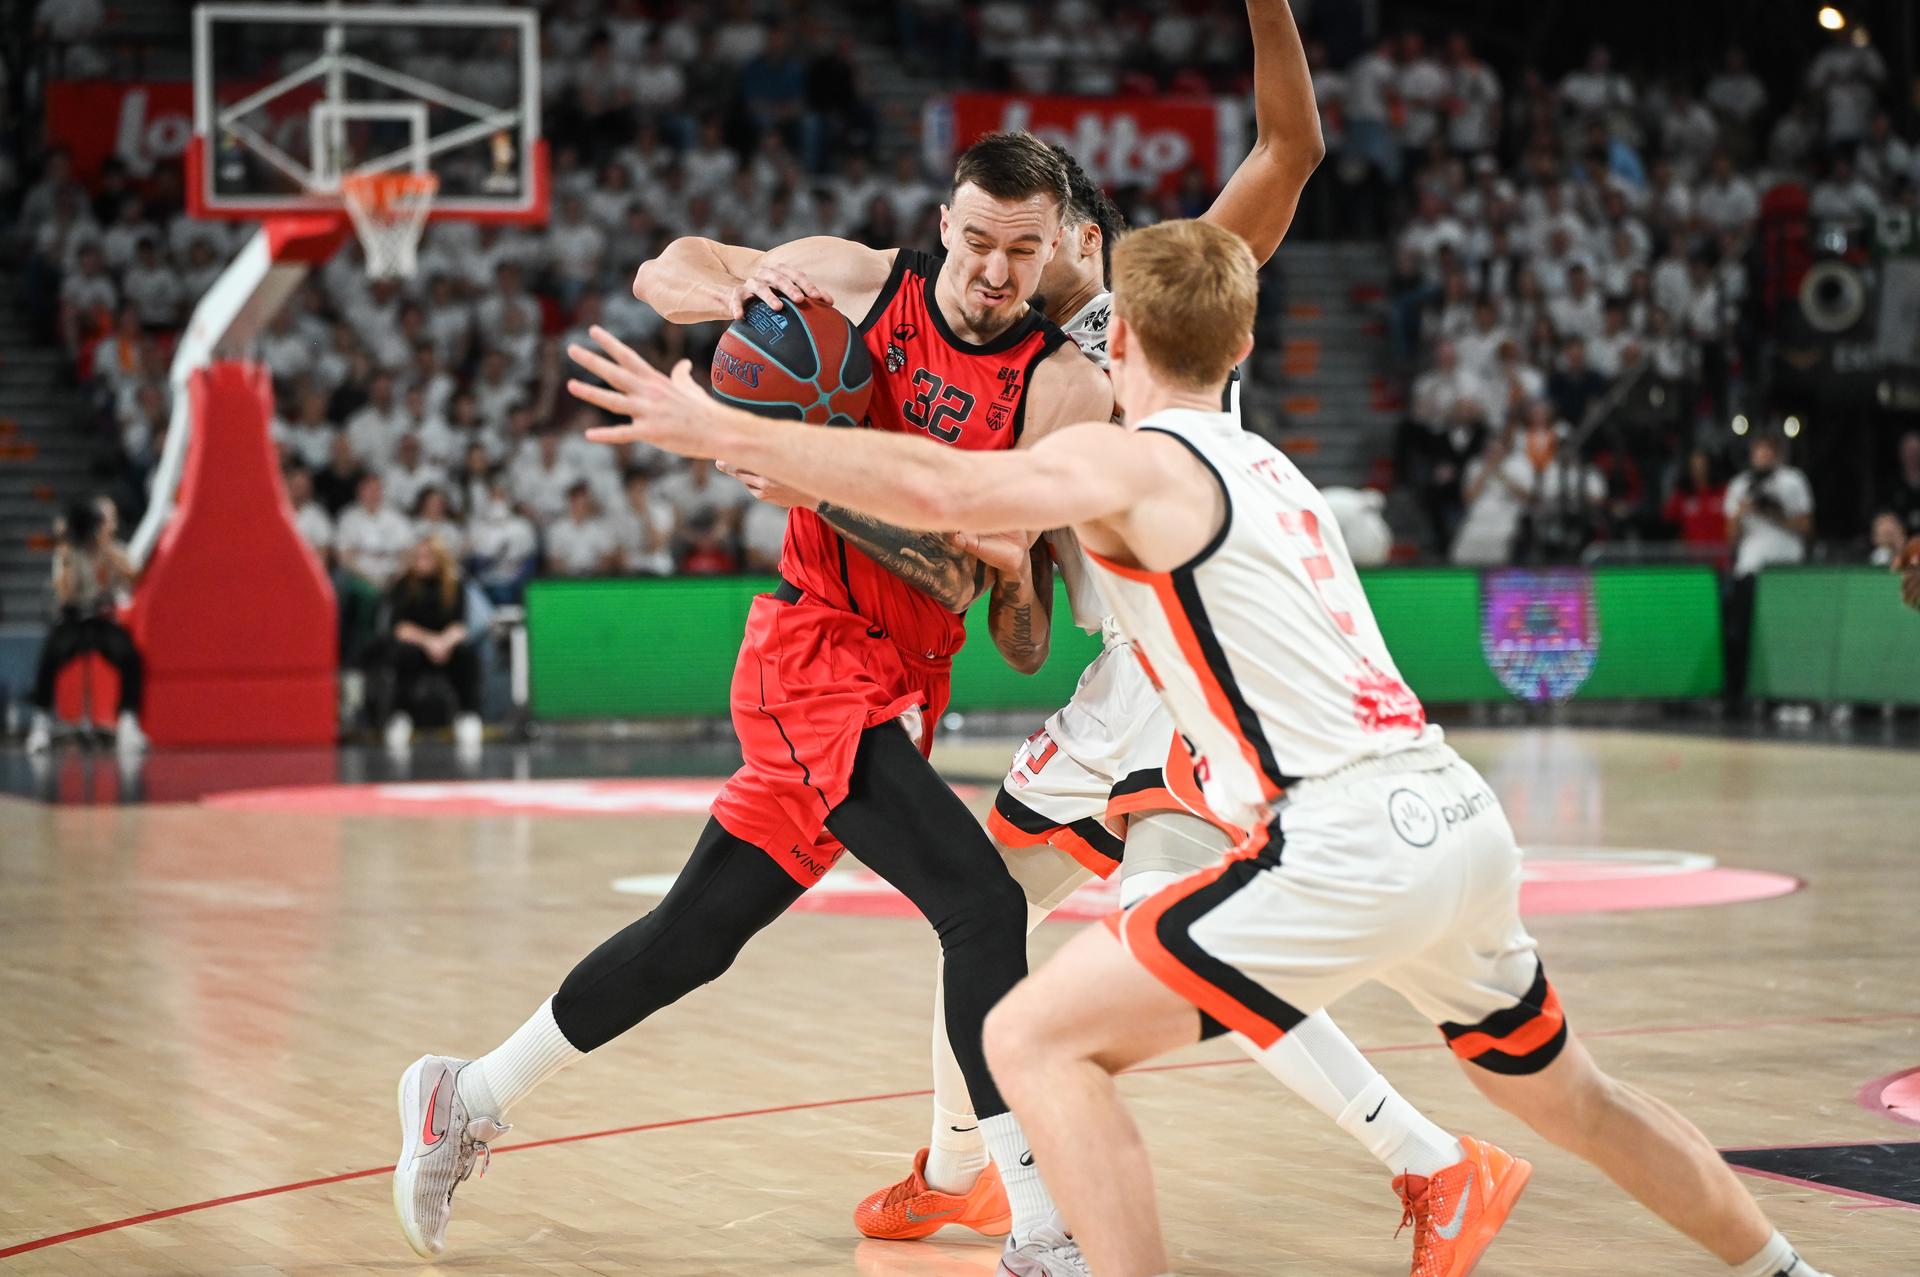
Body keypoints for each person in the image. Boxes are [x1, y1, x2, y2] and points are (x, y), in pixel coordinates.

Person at [592, 216, 1840, 1277]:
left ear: (1118, 339)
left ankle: (1038, 1213)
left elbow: (952, 496)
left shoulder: (1126, 458)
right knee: (1579, 1098)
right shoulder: (1283, 468)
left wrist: (729, 432)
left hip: (1338, 837)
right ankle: (1787, 1265)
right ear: (1242, 347)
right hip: (1460, 819)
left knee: (1029, 1035)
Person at [390, 131, 1112, 1264]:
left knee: (695, 934)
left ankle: (467, 1092)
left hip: (912, 675)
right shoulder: (866, 282)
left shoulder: (1065, 385)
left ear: (1055, 247)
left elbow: (996, 602)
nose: (994, 270)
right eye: (977, 240)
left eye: (1022, 251)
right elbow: (661, 270)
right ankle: (1037, 1223)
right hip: (811, 654)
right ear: (944, 226)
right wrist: (739, 280)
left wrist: (828, 482)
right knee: (981, 903)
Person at [26, 498, 145, 753]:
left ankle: (128, 721)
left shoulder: (113, 550)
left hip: (102, 620)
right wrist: (66, 550)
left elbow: (132, 577)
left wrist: (106, 549)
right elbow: (65, 594)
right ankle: (41, 722)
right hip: (74, 618)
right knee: (50, 654)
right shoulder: (68, 553)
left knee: (130, 656)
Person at [1722, 432, 1813, 703]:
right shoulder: (1739, 485)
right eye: (1758, 451)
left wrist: (1771, 511)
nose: (1762, 456)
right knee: (1742, 634)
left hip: (1786, 570)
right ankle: (1741, 694)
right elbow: (1729, 536)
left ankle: (1787, 694)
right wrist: (1742, 512)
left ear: (1777, 454)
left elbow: (1807, 527)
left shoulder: (1792, 481)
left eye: (1768, 451)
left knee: (1786, 635)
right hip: (1750, 568)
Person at [379, 536, 483, 751]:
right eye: (418, 557)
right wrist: (429, 643)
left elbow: (460, 626)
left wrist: (443, 643)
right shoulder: (404, 585)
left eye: (427, 557)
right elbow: (400, 627)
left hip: (445, 647)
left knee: (466, 655)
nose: (421, 561)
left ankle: (467, 716)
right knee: (404, 654)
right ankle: (400, 717)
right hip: (417, 645)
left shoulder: (454, 585)